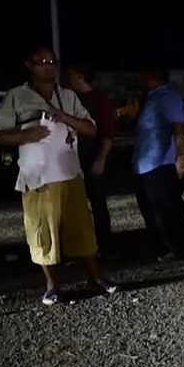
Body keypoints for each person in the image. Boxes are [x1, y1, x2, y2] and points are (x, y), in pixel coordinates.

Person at [0, 46, 117, 305]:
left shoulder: (67, 96)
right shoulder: (17, 96)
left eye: (53, 62)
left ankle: (95, 278)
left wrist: (65, 117)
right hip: (38, 179)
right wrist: (26, 135)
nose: (49, 66)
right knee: (42, 233)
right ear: (29, 64)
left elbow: (91, 128)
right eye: (42, 62)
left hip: (70, 175)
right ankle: (52, 286)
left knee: (82, 230)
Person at [133, 68, 184, 263]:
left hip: (161, 163)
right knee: (151, 207)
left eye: (143, 76)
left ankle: (176, 247)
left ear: (152, 77)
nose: (140, 79)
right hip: (146, 163)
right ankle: (160, 245)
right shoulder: (151, 98)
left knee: (166, 208)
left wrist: (182, 156)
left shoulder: (167, 97)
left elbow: (178, 129)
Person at [66, 64, 117, 258]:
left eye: (69, 75)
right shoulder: (72, 99)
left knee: (98, 205)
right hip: (73, 160)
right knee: (74, 206)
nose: (65, 79)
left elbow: (107, 133)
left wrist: (101, 159)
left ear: (80, 75)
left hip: (92, 159)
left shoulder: (99, 100)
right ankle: (79, 248)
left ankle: (104, 247)